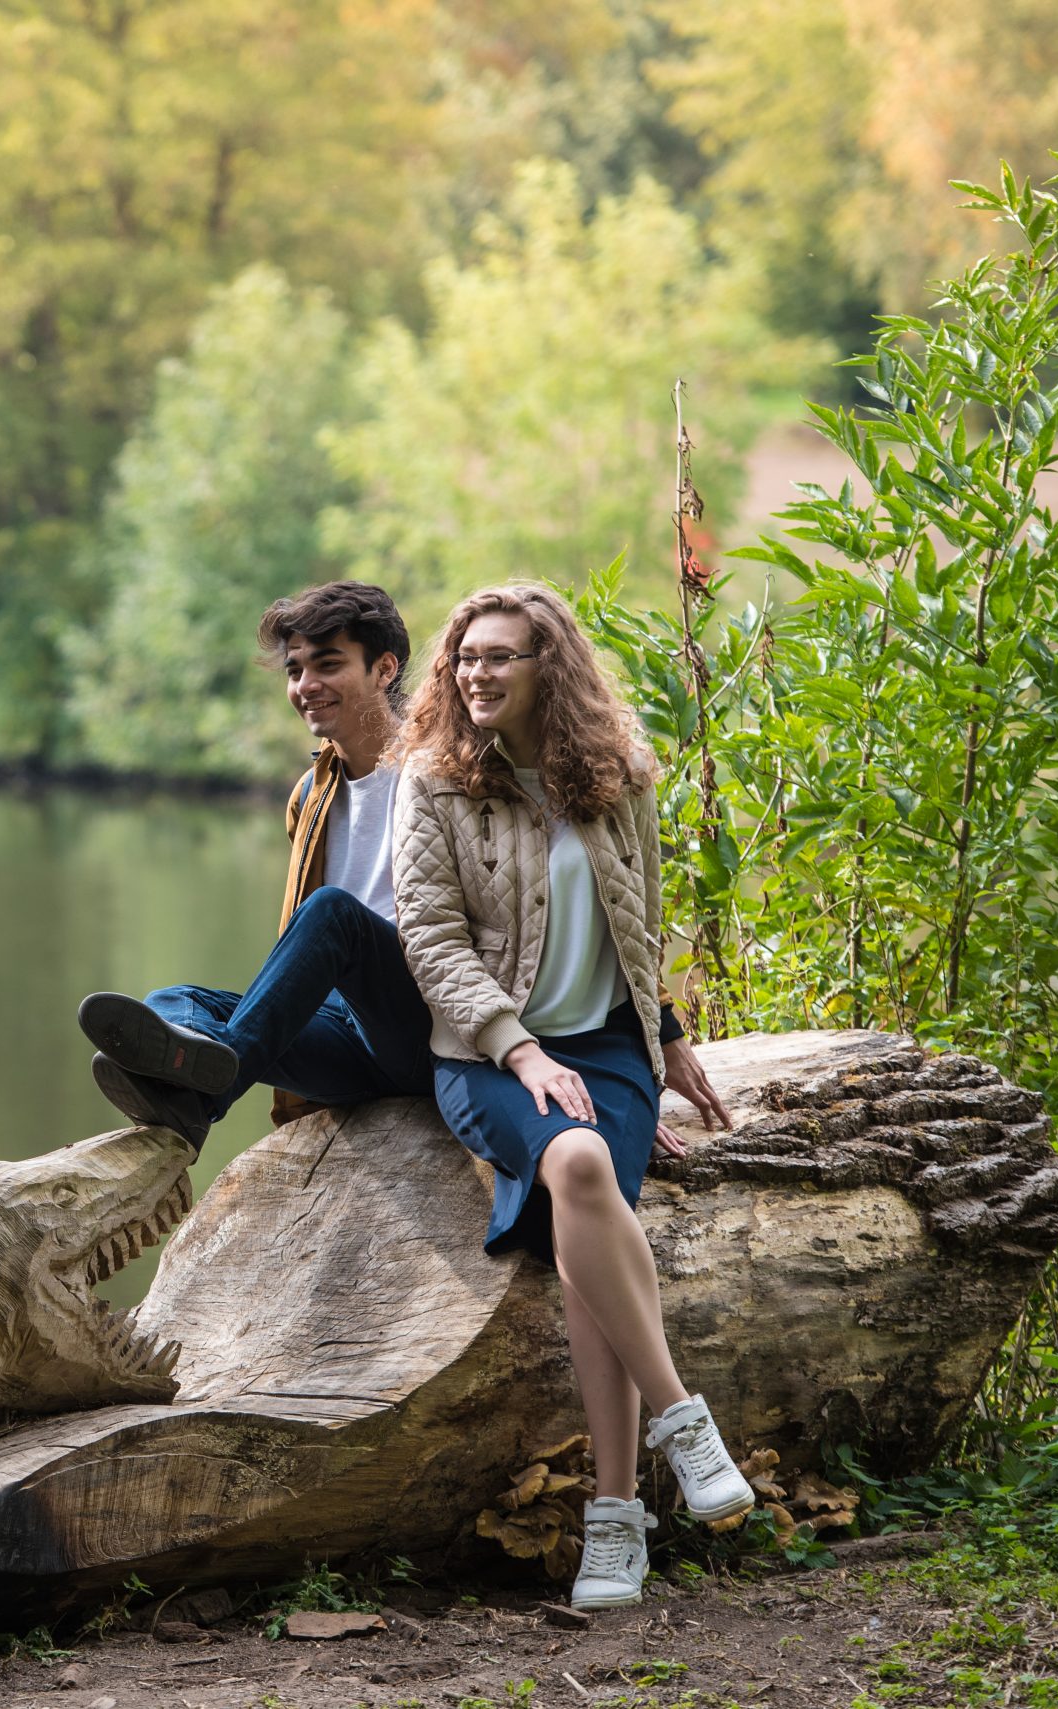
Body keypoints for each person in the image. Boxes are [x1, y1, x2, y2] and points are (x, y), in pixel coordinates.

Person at [390, 583, 748, 1611]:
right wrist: (519, 1051)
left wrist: (664, 1035)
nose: (477, 675)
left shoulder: (616, 774)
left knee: (592, 1206)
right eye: (466, 658)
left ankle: (614, 1522)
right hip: (482, 1054)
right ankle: (681, 1428)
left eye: (502, 655)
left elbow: (642, 914)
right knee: (580, 1164)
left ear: (552, 666)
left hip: (608, 1053)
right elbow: (430, 936)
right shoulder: (434, 782)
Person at [75, 582, 441, 1148]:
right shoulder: (310, 794)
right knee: (173, 1003)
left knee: (333, 914)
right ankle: (194, 1086)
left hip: (424, 1032)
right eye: (295, 671)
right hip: (344, 1038)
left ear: (385, 669)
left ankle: (204, 1101)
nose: (305, 686)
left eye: (327, 664)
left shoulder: (444, 776)